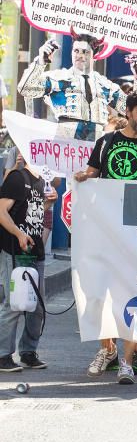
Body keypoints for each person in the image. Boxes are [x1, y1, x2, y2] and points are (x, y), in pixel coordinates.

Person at [75, 91, 137, 384]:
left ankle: (127, 361)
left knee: (131, 297)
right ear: (128, 112)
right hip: (104, 231)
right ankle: (108, 349)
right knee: (100, 295)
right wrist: (84, 178)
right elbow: (93, 174)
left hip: (136, 236)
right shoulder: (106, 143)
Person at [18, 34, 137, 138]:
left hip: (94, 152)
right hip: (65, 147)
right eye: (76, 51)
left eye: (85, 52)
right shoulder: (59, 78)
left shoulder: (104, 85)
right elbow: (26, 89)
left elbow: (134, 111)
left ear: (94, 56)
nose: (80, 55)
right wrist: (40, 62)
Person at [0, 149, 58, 373]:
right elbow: (2, 211)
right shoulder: (17, 177)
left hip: (35, 249)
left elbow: (32, 213)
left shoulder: (42, 182)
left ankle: (28, 352)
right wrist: (18, 234)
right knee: (14, 303)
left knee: (37, 305)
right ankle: (4, 355)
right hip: (15, 249)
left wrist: (48, 205)